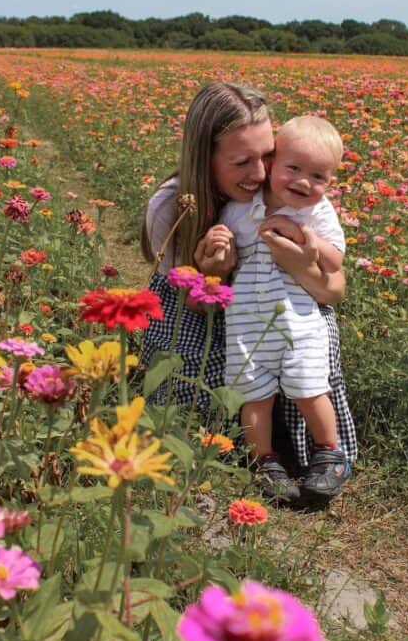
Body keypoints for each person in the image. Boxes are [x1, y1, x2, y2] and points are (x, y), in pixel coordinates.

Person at [141, 81, 356, 504]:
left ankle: (320, 452)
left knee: (308, 344)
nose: (259, 174)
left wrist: (298, 264)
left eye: (267, 156)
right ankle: (243, 451)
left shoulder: (287, 186)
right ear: (205, 158)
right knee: (201, 361)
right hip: (200, 305)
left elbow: (334, 288)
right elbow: (191, 302)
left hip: (276, 294)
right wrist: (214, 275)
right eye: (242, 161)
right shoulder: (171, 205)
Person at [221, 115, 348, 505]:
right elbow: (227, 252)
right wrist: (217, 244)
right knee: (252, 393)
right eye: (293, 168)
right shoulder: (241, 209)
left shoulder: (318, 213)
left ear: (330, 183)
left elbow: (336, 261)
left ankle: (330, 454)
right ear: (272, 164)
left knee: (309, 386)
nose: (304, 182)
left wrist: (306, 240)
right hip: (245, 321)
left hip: (300, 318)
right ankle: (265, 462)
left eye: (319, 176)